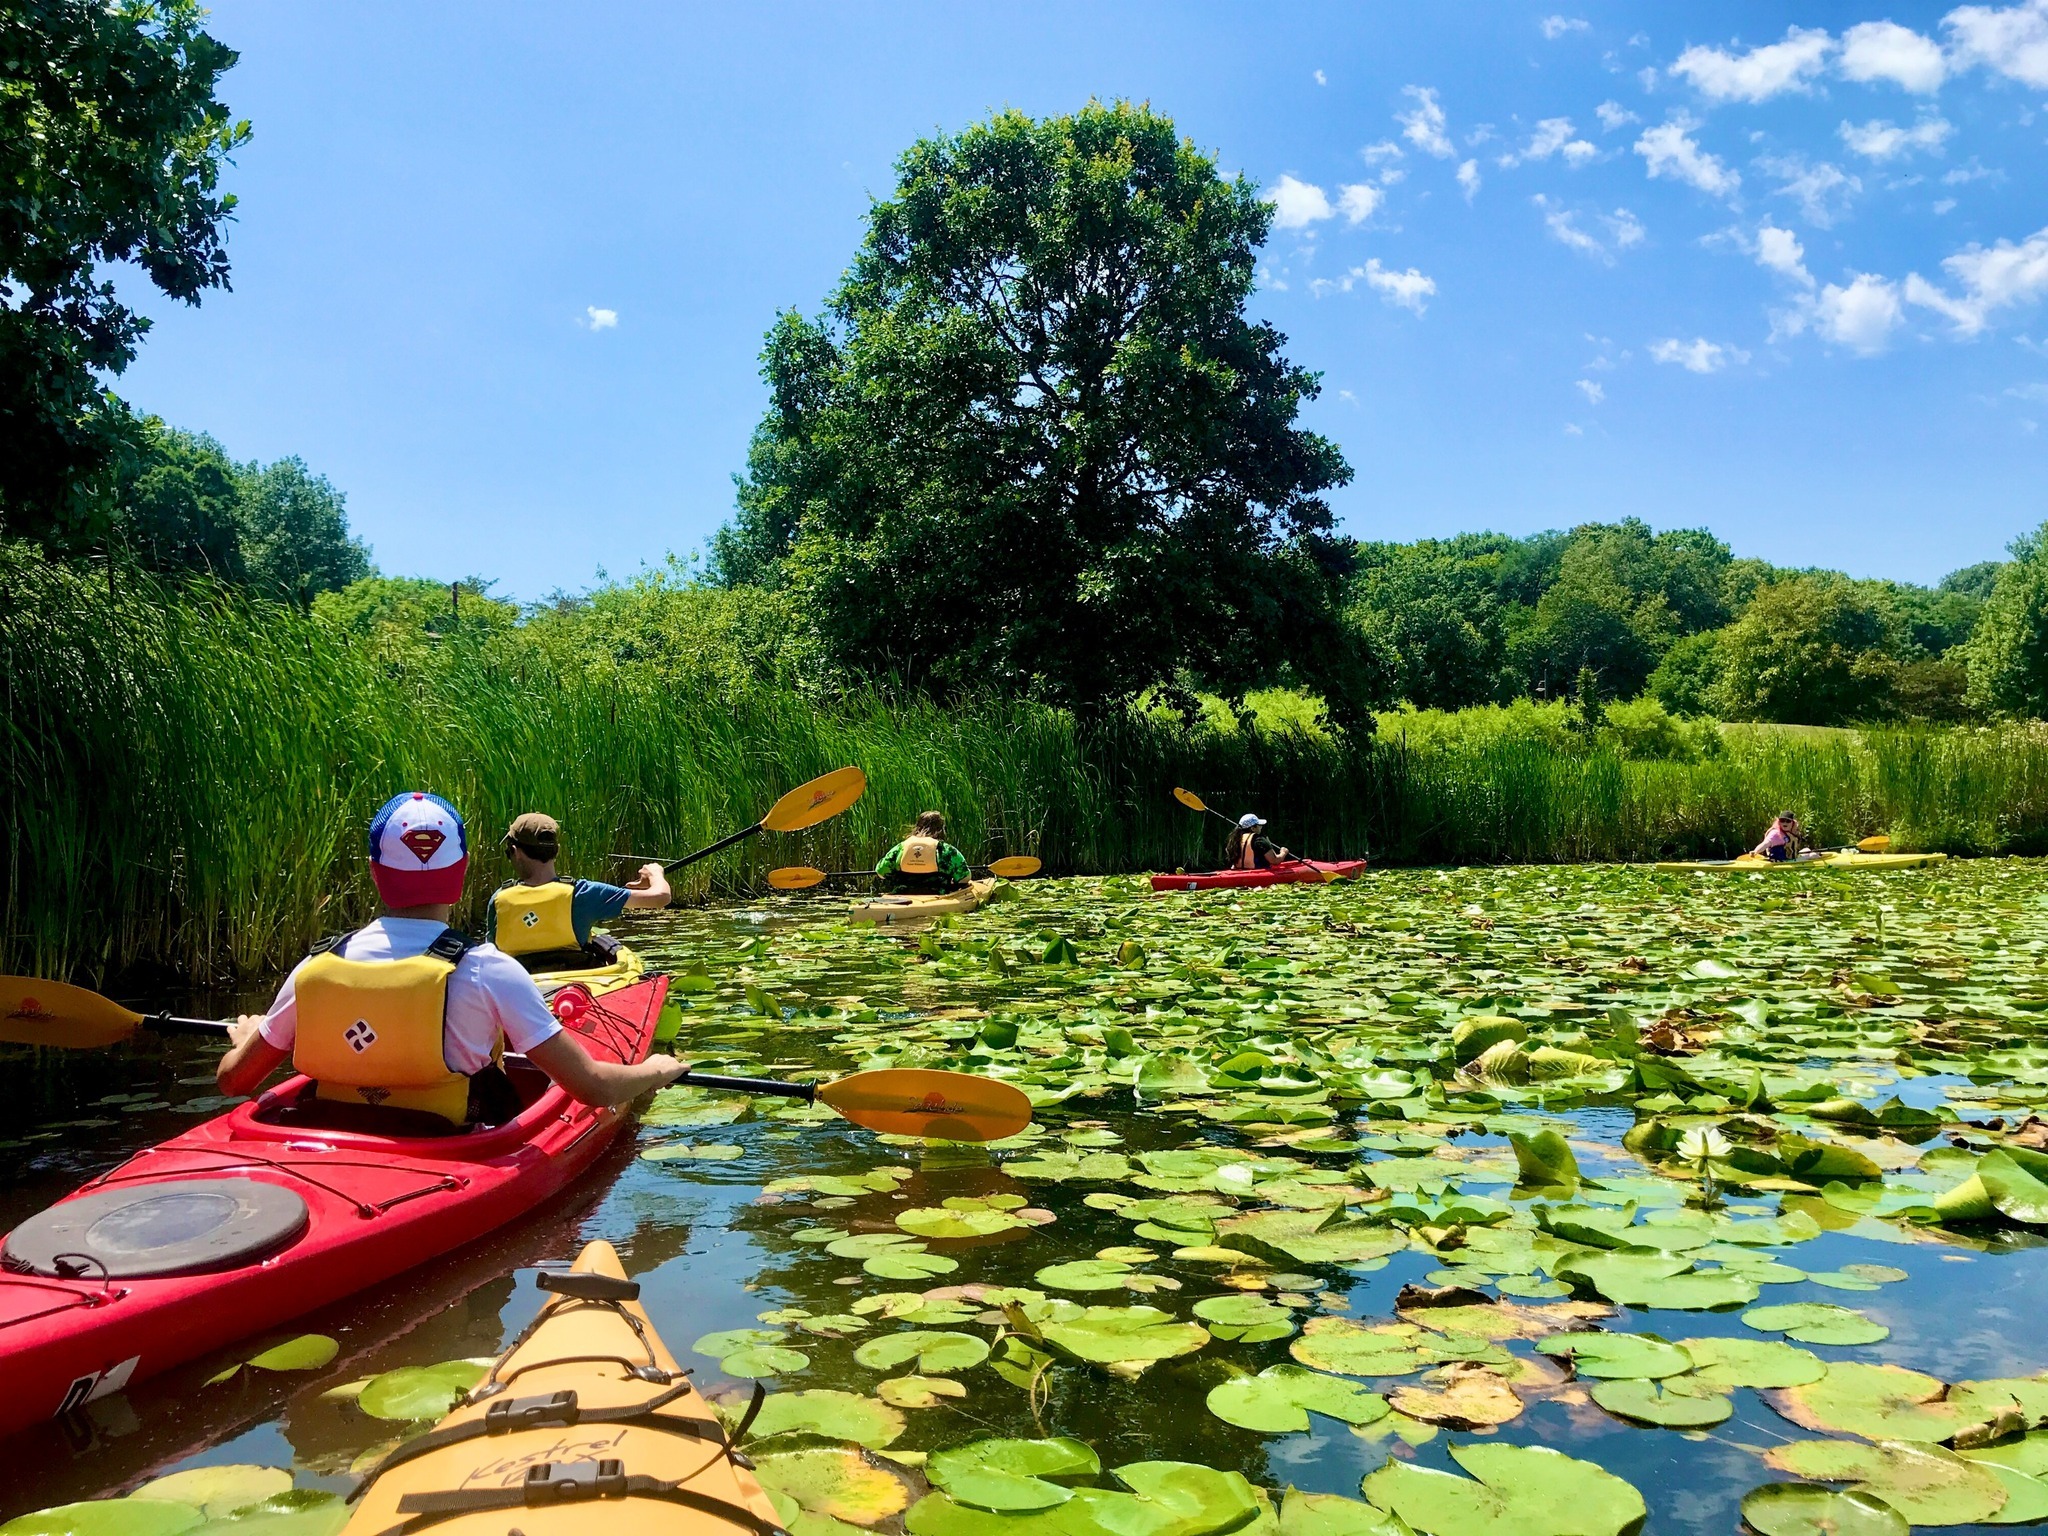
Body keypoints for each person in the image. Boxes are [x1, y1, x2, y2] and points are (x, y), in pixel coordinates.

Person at [216, 791, 688, 1122]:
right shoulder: (486, 970)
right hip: (452, 1140)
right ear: (460, 871)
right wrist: (655, 1070)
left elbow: (234, 1081)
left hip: (337, 1135)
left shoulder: (314, 967)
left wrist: (251, 1037)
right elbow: (595, 1088)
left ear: (375, 872)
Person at [487, 812, 670, 971]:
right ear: (557, 851)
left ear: (514, 851)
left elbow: (491, 956)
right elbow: (661, 898)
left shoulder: (498, 899)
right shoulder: (583, 893)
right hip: (576, 987)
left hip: (519, 987)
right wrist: (655, 873)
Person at [875, 811, 973, 894]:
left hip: (902, 895)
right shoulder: (946, 850)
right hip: (936, 895)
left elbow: (881, 872)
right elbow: (965, 877)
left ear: (917, 827)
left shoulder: (901, 847)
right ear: (941, 829)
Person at [1223, 813, 1295, 871]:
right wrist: (1283, 852)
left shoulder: (1234, 839)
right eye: (1259, 825)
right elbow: (1275, 861)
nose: (1261, 827)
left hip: (1238, 872)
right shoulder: (1259, 840)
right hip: (1257, 872)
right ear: (1253, 828)